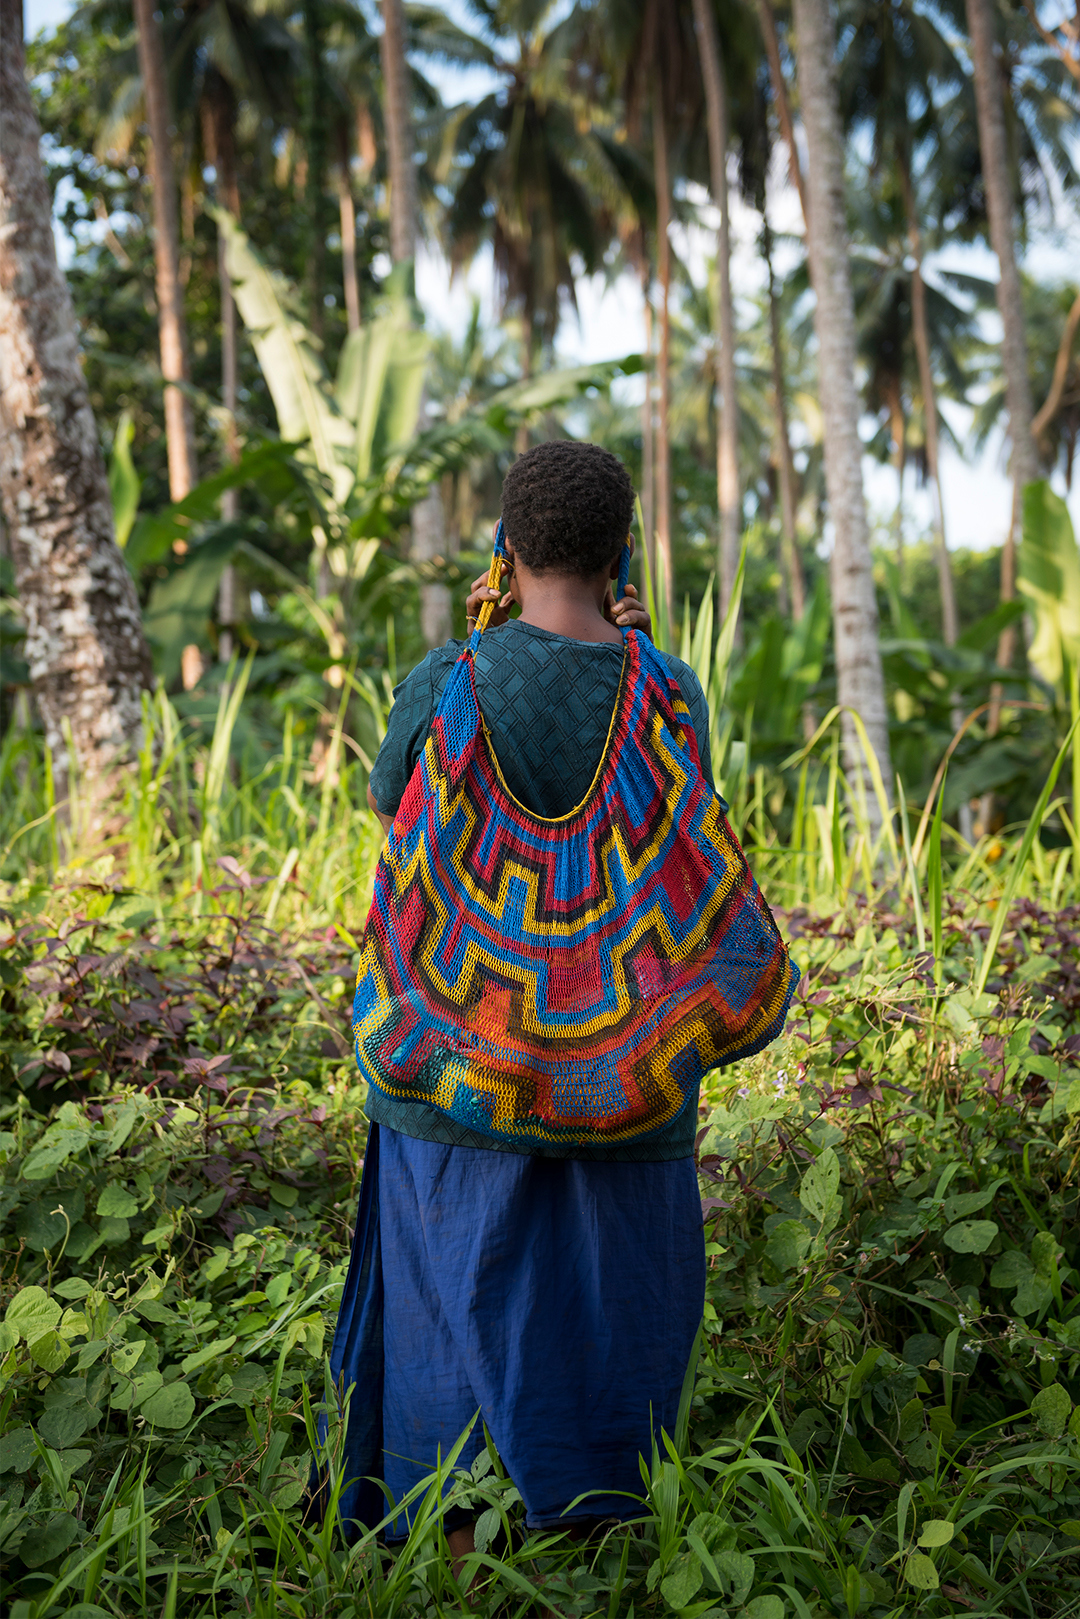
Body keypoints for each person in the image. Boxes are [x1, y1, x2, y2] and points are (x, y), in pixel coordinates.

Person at [326, 441, 759, 1570]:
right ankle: (603, 1533)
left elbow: (388, 800)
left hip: (457, 1066)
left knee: (449, 1310)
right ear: (622, 549)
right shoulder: (670, 688)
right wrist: (638, 639)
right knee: (616, 1311)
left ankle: (458, 1544)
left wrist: (483, 627)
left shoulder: (447, 677)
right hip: (633, 1068)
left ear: (505, 552)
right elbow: (680, 820)